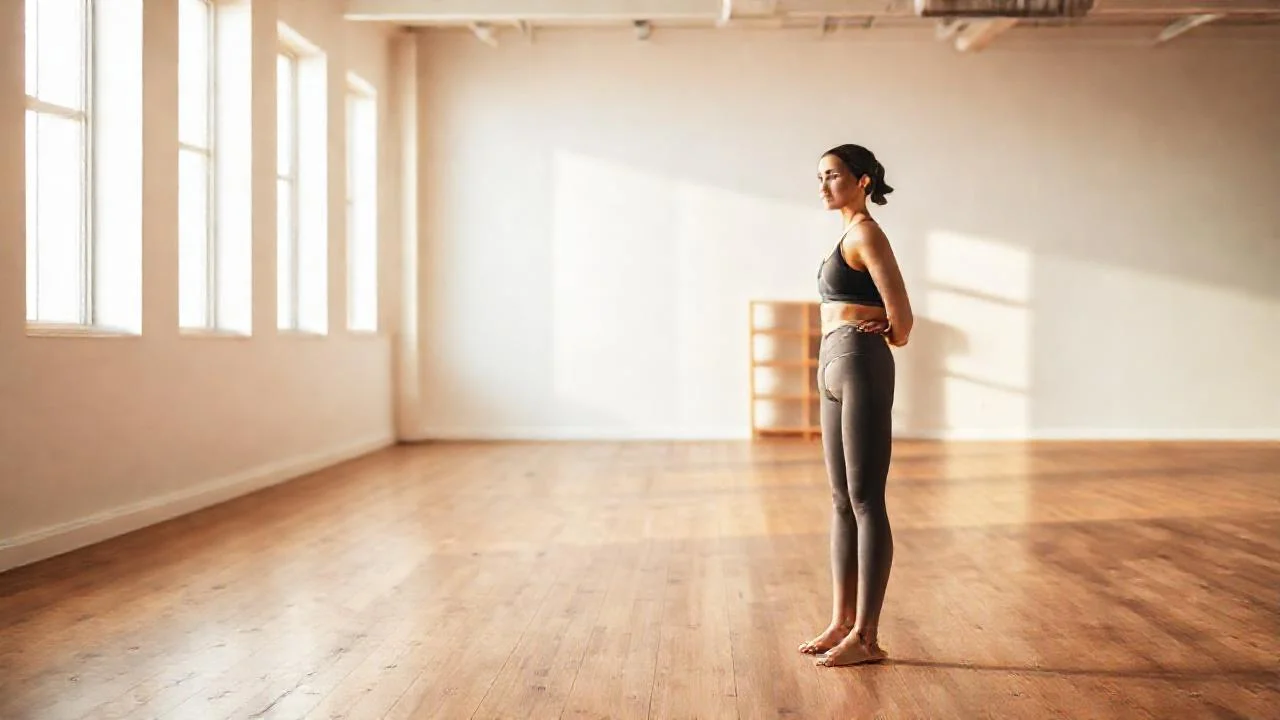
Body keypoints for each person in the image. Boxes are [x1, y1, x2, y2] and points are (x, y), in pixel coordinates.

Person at [799, 143, 913, 667]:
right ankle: (841, 621)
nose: (824, 185)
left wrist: (883, 328)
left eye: (833, 175)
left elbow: (903, 321)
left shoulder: (867, 233)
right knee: (841, 500)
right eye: (820, 177)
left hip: (860, 363)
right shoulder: (846, 236)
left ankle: (867, 637)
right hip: (833, 365)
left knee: (866, 500)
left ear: (862, 180)